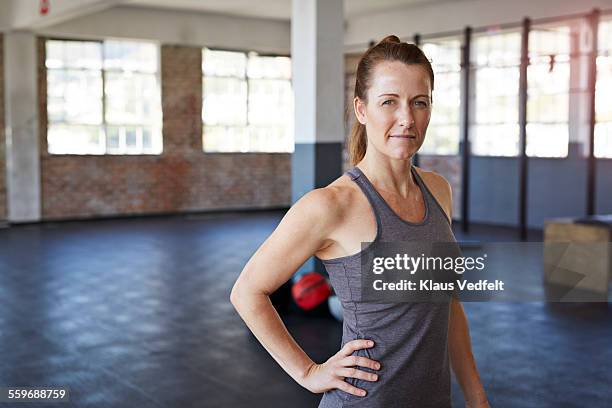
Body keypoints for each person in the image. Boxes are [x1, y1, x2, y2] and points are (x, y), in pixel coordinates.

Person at [230, 35, 489, 408]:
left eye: (420, 102)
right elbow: (247, 292)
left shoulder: (438, 191)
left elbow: (446, 302)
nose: (407, 118)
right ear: (362, 109)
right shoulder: (331, 204)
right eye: (389, 102)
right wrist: (308, 373)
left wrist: (477, 397)